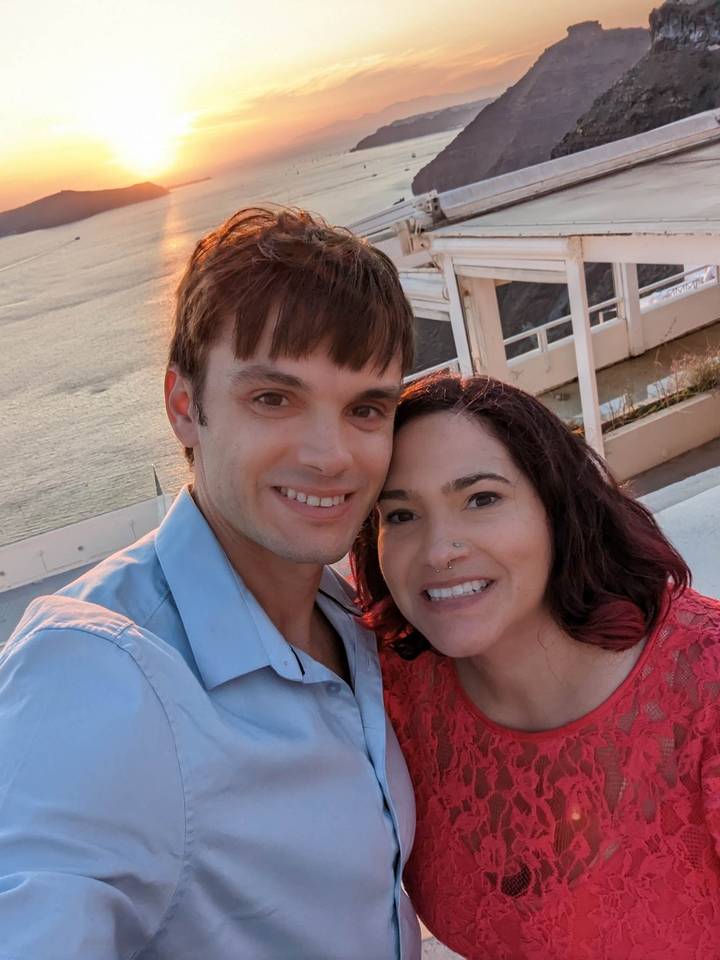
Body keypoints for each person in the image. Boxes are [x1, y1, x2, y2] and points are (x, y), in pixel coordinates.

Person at [0, 206, 422, 960]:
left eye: (366, 408)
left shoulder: (349, 616)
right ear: (184, 407)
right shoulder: (104, 674)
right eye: (273, 398)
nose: (332, 457)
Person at [352, 372, 720, 960]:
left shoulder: (705, 685)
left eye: (481, 499)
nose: (439, 550)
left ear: (557, 507)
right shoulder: (394, 690)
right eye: (399, 515)